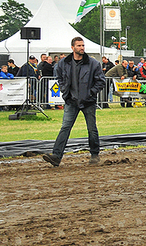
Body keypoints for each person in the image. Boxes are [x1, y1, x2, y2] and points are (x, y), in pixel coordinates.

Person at [42, 37, 106, 167]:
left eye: (83, 45)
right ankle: (56, 156)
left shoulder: (93, 63)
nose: (82, 48)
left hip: (88, 101)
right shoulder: (63, 63)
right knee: (65, 128)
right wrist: (64, 90)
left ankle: (95, 154)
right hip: (71, 100)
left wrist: (91, 92)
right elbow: (59, 77)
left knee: (92, 129)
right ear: (73, 48)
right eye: (79, 46)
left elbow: (101, 81)